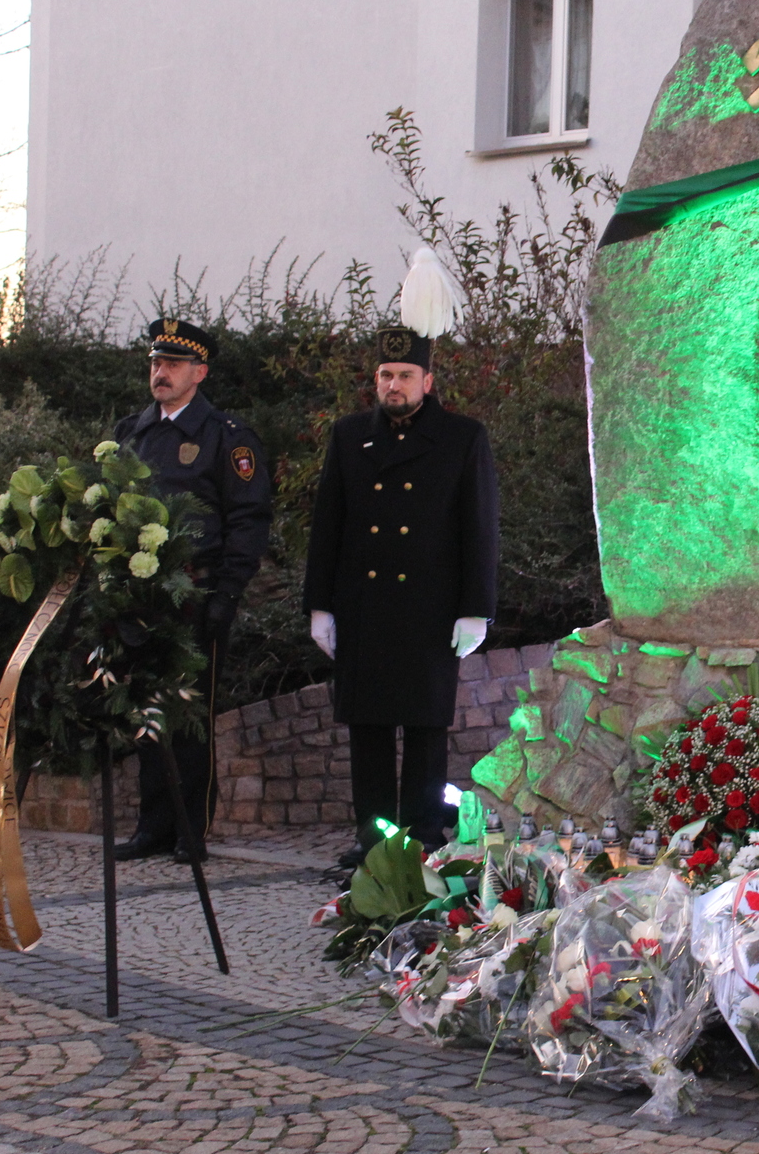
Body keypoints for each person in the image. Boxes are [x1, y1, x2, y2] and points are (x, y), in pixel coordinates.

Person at [304, 326, 498, 868]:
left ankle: (421, 838)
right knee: (366, 729)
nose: (395, 385)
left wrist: (475, 607)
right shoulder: (349, 436)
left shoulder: (462, 437)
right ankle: (373, 842)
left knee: (424, 729)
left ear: (427, 381)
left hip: (430, 608)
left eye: (406, 376)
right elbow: (328, 525)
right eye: (387, 376)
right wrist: (320, 605)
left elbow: (479, 528)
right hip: (363, 606)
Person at [115, 318, 273, 862]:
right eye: (156, 362)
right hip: (139, 601)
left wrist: (227, 595)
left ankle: (189, 829)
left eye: (174, 364)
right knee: (146, 717)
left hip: (196, 598)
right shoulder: (131, 434)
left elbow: (248, 521)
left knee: (189, 719)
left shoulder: (227, 438)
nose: (161, 373)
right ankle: (152, 825)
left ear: (199, 373)